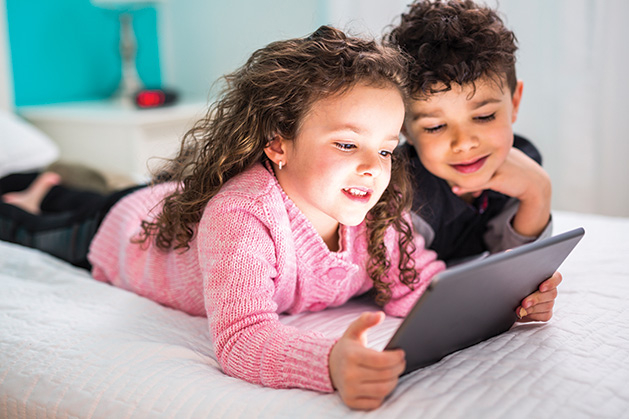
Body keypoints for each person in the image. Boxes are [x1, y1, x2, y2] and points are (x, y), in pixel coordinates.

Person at [0, 26, 560, 410]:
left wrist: (507, 301)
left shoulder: (377, 211)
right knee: (28, 225)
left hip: (165, 205)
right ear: (278, 143)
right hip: (124, 231)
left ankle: (47, 184)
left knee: (63, 189)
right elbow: (244, 340)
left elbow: (417, 283)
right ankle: (36, 191)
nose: (373, 168)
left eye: (387, 149)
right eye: (347, 145)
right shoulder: (243, 217)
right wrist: (331, 363)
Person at [386, 0, 553, 263]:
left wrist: (537, 191)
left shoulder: (522, 164)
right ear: (403, 127)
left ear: (515, 102)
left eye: (484, 116)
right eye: (435, 127)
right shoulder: (401, 190)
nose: (463, 143)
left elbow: (517, 263)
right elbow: (405, 280)